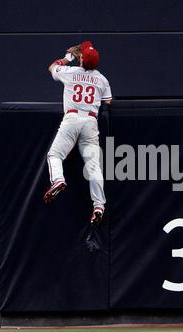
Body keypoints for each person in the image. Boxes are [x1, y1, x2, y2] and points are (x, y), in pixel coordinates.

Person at [44, 41, 112, 225]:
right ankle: (99, 205)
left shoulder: (70, 72)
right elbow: (108, 102)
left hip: (72, 119)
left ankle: (58, 179)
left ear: (81, 59)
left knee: (55, 155)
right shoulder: (102, 79)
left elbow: (51, 68)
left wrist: (67, 58)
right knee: (93, 167)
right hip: (90, 121)